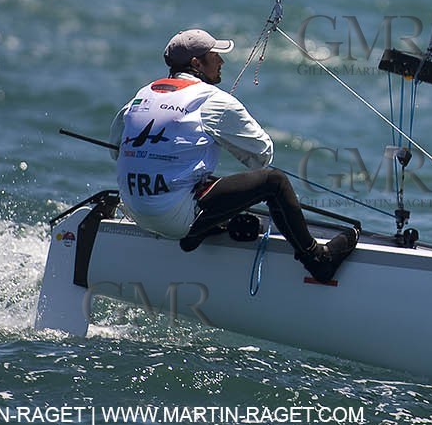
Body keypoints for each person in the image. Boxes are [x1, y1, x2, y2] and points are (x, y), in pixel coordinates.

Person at [109, 28, 357, 282]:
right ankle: (317, 259)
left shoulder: (142, 95)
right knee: (274, 182)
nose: (222, 61)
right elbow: (262, 156)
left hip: (134, 211)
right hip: (172, 219)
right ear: (196, 63)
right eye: (214, 55)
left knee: (197, 179)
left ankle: (206, 229)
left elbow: (115, 150)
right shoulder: (211, 99)